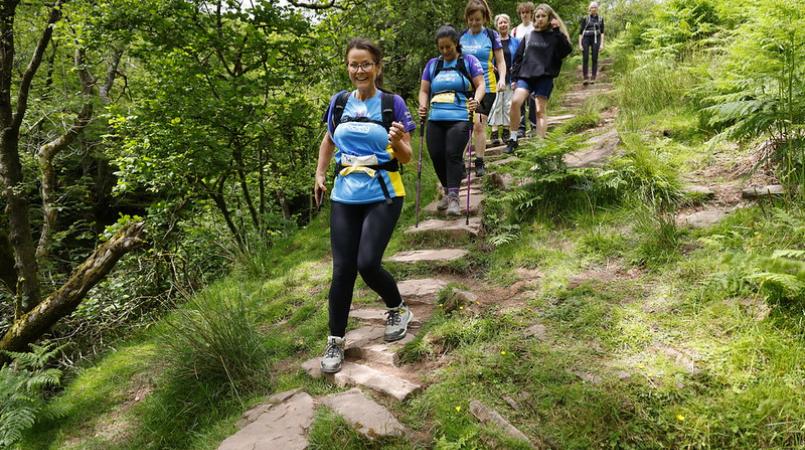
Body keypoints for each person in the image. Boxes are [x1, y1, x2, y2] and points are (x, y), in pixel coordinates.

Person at [314, 38, 416, 374]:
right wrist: (320, 174)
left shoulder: (392, 103)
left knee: (368, 263)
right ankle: (335, 341)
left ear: (377, 67)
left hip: (384, 192)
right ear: (348, 67)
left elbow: (407, 156)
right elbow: (329, 140)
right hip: (345, 194)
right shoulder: (339, 102)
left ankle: (398, 308)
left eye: (366, 64)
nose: (360, 70)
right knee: (342, 270)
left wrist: (397, 141)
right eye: (354, 64)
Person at [418, 25, 485, 216]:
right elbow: (424, 90)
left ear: (456, 44)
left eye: (448, 47)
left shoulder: (468, 61)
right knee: (436, 154)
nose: (445, 51)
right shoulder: (433, 65)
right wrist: (423, 105)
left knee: (452, 153)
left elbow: (480, 85)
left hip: (460, 115)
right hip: (435, 117)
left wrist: (476, 100)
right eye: (442, 48)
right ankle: (447, 191)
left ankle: (455, 198)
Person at [506, 3, 572, 151]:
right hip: (526, 76)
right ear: (534, 18)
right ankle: (513, 138)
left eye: (543, 16)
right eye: (538, 16)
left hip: (545, 77)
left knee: (539, 111)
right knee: (515, 102)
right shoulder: (530, 35)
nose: (540, 19)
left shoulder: (555, 36)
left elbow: (565, 51)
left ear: (549, 18)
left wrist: (557, 31)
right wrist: (514, 79)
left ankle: (540, 146)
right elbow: (518, 57)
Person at [459, 0, 506, 177]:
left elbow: (500, 61)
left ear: (484, 18)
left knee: (478, 124)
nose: (474, 23)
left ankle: (479, 161)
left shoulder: (491, 35)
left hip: (486, 86)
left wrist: (502, 78)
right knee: (464, 125)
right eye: (471, 19)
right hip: (464, 86)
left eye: (477, 19)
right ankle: (460, 163)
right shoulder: (461, 36)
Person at [488, 14, 520, 146]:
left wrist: (517, 76)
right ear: (497, 25)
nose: (503, 25)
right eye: (500, 23)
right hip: (495, 77)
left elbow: (519, 59)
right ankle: (494, 132)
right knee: (496, 104)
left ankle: (506, 131)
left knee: (508, 105)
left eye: (505, 22)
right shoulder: (493, 41)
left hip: (511, 77)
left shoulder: (515, 42)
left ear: (509, 24)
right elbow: (488, 58)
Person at [511, 2, 538, 138]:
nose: (525, 15)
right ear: (520, 14)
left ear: (531, 13)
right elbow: (513, 52)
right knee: (519, 98)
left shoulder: (536, 27)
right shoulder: (515, 31)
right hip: (519, 67)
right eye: (522, 12)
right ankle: (521, 127)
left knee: (533, 97)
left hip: (534, 66)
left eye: (527, 12)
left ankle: (534, 125)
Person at [579, 1, 605, 84]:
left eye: (595, 7)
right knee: (585, 57)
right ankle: (585, 77)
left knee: (594, 58)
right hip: (586, 38)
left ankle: (593, 77)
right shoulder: (585, 18)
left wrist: (602, 44)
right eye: (592, 7)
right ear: (589, 9)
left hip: (596, 38)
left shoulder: (600, 19)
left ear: (597, 9)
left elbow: (602, 32)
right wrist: (580, 44)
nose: (593, 9)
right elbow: (580, 32)